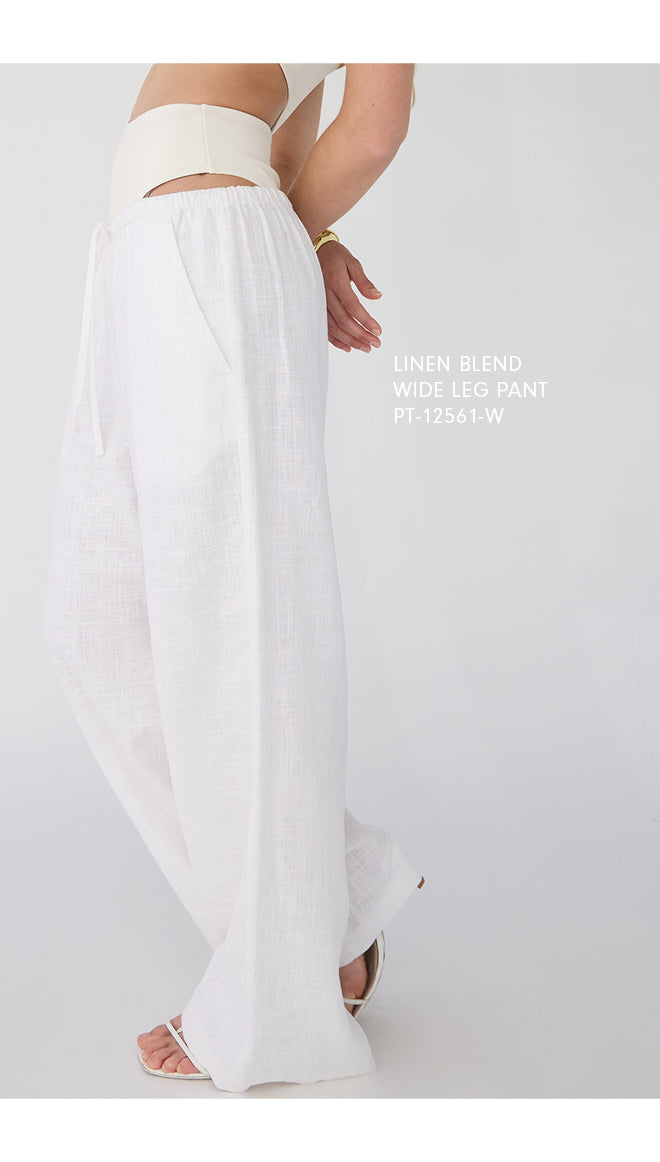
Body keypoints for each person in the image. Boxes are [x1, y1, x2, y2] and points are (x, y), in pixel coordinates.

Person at [43, 62, 425, 1094]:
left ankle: (279, 999)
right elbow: (292, 138)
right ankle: (336, 897)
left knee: (244, 635)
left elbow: (376, 126)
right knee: (95, 626)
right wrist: (318, 239)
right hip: (144, 251)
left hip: (214, 249)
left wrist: (296, 236)